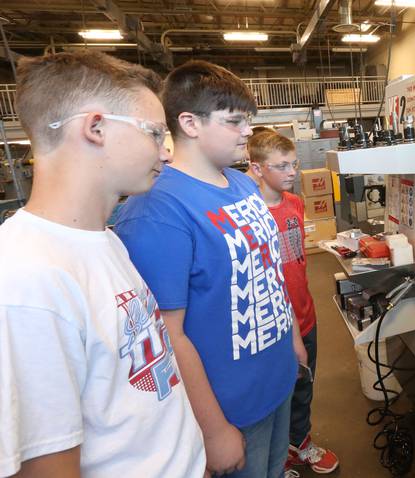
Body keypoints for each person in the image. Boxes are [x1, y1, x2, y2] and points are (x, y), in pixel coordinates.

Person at [0, 51, 205, 477]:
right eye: (154, 133)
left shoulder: (102, 240)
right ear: (94, 128)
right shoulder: (26, 281)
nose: (165, 154)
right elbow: (47, 466)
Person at [114, 60, 307, 478]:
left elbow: (269, 271)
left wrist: (291, 335)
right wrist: (213, 428)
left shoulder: (240, 184)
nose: (247, 132)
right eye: (234, 121)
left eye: (248, 121)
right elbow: (167, 335)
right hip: (229, 406)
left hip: (275, 380)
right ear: (190, 123)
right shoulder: (157, 210)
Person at [246, 131, 339, 474]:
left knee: (303, 386)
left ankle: (299, 444)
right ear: (256, 169)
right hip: (271, 324)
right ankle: (274, 456)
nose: (292, 172)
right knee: (274, 394)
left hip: (305, 314)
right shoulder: (249, 214)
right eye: (281, 166)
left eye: (294, 163)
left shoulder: (295, 203)